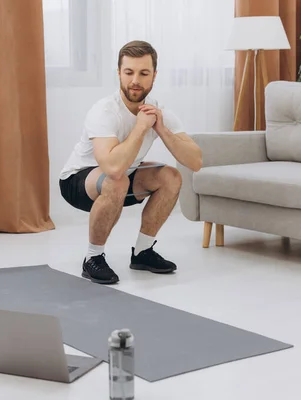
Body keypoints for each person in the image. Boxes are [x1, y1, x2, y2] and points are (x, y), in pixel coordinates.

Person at [59, 40, 203, 284]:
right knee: (117, 179)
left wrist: (162, 129)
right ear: (119, 73)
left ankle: (143, 253)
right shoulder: (104, 111)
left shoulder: (158, 111)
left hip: (122, 177)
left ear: (154, 76)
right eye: (129, 72)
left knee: (171, 176)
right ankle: (93, 258)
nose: (135, 80)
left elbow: (195, 161)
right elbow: (112, 167)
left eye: (143, 73)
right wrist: (140, 128)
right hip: (78, 181)